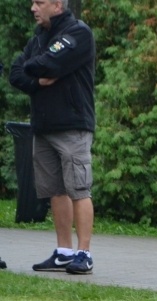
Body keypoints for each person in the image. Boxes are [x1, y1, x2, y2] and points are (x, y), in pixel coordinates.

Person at [9, 0, 96, 275]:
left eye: (39, 2)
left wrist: (34, 68)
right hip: (43, 127)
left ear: (57, 5)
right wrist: (36, 81)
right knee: (55, 191)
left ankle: (84, 254)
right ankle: (63, 252)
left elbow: (50, 61)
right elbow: (15, 72)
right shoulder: (39, 38)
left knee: (79, 189)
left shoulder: (77, 33)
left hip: (72, 125)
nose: (33, 8)